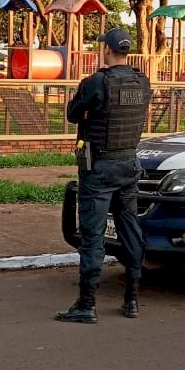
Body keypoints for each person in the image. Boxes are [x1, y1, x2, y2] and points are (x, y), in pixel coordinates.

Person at [55, 27, 152, 324]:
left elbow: (73, 113)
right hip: (129, 164)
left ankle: (87, 304)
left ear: (107, 49)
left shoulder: (97, 82)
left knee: (93, 236)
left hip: (100, 168)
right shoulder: (142, 81)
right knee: (130, 228)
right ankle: (131, 300)